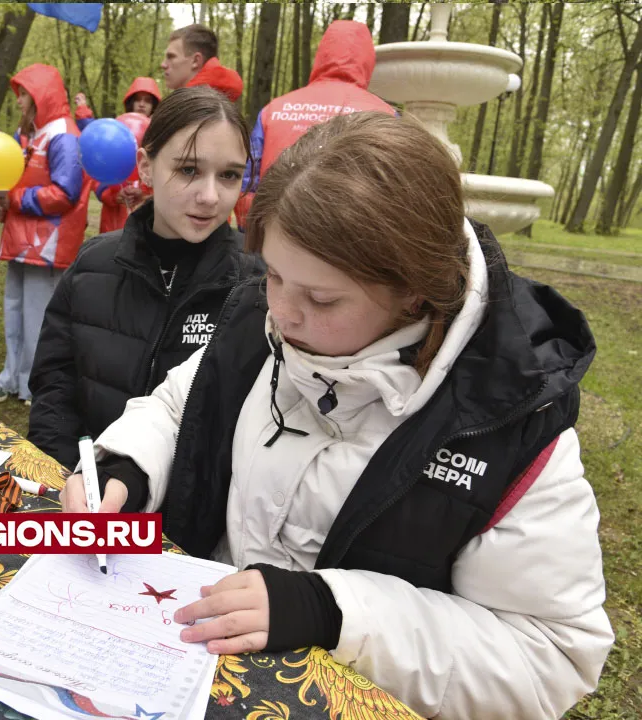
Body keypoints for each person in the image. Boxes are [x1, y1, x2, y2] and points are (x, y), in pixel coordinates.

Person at [60, 113, 613, 719]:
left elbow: (552, 656)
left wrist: (333, 612)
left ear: (416, 291)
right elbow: (179, 405)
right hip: (187, 673)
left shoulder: (510, 417)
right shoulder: (256, 317)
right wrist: (129, 467)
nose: (284, 314)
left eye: (321, 299)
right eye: (271, 274)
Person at [27, 86, 264, 470]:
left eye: (229, 176)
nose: (210, 195)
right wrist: (66, 479)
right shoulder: (92, 266)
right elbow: (55, 388)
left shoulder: (257, 286)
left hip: (185, 526)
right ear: (146, 166)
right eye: (189, 170)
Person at [0, 64, 88, 406]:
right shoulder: (29, 134)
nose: (19, 102)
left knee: (39, 317)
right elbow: (14, 179)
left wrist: (14, 200)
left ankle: (35, 383)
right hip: (20, 240)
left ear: (40, 96)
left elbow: (65, 193)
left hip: (46, 244)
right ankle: (11, 376)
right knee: (13, 311)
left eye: (24, 94)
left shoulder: (64, 135)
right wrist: (3, 206)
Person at [235, 20, 395, 230]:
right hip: (348, 248)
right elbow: (393, 197)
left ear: (322, 54)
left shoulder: (275, 108)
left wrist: (253, 235)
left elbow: (247, 183)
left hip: (272, 240)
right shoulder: (385, 115)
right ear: (367, 61)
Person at [94, 76, 163, 234]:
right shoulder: (115, 131)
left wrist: (146, 194)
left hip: (149, 222)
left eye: (147, 100)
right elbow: (98, 175)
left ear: (154, 105)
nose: (141, 104)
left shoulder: (161, 134)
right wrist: (111, 195)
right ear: (130, 102)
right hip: (114, 219)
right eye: (138, 99)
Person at [162, 25, 243, 101]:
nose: (163, 65)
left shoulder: (200, 110)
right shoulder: (215, 103)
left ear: (195, 61)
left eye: (171, 57)